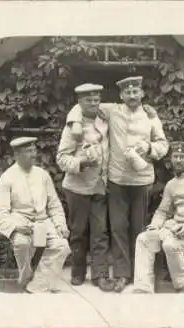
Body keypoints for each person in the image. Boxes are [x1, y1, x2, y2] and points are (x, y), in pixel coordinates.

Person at [98, 76, 169, 292]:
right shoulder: (111, 111)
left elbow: (163, 144)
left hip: (141, 180)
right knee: (118, 227)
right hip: (117, 178)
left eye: (135, 92)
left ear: (142, 94)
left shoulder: (151, 117)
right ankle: (121, 274)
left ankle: (140, 275)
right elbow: (82, 106)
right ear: (121, 95)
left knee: (138, 228)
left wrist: (148, 148)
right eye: (127, 93)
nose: (131, 96)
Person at [131, 141, 184, 294]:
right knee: (144, 239)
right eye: (175, 156)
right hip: (175, 228)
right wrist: (155, 226)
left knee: (170, 245)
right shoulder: (171, 184)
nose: (177, 160)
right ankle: (143, 287)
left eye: (182, 157)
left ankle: (182, 285)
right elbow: (163, 211)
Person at [56, 83, 115, 292]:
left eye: (96, 99)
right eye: (88, 100)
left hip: (99, 186)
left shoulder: (104, 118)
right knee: (78, 232)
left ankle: (100, 275)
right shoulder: (73, 125)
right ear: (79, 102)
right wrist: (81, 163)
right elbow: (61, 158)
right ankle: (78, 272)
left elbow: (125, 107)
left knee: (100, 232)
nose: (93, 103)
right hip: (77, 188)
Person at [0, 137, 71, 293]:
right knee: (22, 243)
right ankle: (26, 275)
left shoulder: (42, 175)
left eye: (34, 150)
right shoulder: (7, 178)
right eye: (28, 151)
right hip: (20, 219)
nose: (34, 154)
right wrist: (15, 227)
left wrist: (60, 224)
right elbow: (0, 212)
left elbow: (54, 204)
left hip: (43, 221)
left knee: (62, 246)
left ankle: (37, 285)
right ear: (17, 155)